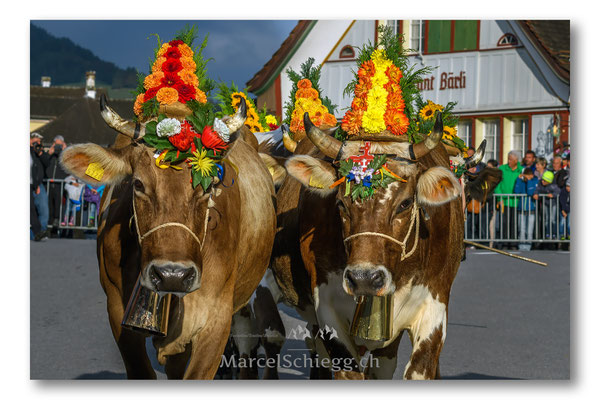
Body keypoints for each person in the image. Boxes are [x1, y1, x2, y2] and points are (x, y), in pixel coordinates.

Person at [494, 151, 521, 249]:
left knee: (514, 223)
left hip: (516, 202)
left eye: (510, 159)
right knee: (504, 223)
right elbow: (498, 185)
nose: (508, 161)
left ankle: (513, 243)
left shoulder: (521, 170)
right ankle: (505, 243)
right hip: (504, 201)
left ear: (516, 160)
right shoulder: (502, 169)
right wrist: (499, 197)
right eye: (508, 159)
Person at [45, 135, 68, 230]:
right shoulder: (50, 155)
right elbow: (43, 162)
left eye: (59, 145)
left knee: (58, 204)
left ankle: (57, 222)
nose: (58, 147)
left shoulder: (64, 156)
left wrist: (65, 152)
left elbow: (68, 166)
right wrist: (49, 153)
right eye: (56, 145)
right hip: (48, 183)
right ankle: (48, 223)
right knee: (48, 204)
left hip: (60, 184)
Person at [30, 132, 50, 237]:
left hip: (39, 184)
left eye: (39, 142)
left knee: (43, 209)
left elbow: (48, 163)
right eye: (35, 142)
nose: (37, 144)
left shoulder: (40, 153)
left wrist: (40, 153)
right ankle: (33, 233)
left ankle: (41, 232)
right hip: (30, 184)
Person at [514, 167, 538, 251]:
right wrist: (518, 179)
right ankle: (521, 245)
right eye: (526, 175)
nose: (527, 177)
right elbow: (516, 192)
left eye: (529, 175)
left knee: (529, 229)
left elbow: (530, 192)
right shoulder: (521, 182)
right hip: (522, 208)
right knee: (522, 228)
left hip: (531, 208)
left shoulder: (534, 181)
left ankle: (528, 245)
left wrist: (529, 181)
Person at [533, 171, 561, 240]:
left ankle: (553, 233)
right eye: (542, 179)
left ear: (549, 181)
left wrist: (553, 195)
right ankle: (547, 234)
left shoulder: (553, 186)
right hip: (545, 203)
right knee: (546, 220)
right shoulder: (540, 183)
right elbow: (537, 189)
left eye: (544, 180)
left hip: (553, 204)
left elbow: (558, 191)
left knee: (553, 219)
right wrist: (535, 194)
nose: (542, 181)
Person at [559, 176, 570, 241]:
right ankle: (561, 235)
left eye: (569, 186)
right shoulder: (563, 191)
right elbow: (562, 201)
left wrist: (567, 210)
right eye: (567, 186)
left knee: (569, 223)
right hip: (562, 209)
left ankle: (569, 234)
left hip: (569, 209)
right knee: (562, 222)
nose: (568, 188)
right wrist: (563, 210)